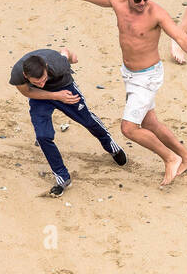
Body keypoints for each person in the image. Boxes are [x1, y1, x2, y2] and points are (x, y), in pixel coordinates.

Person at [36, 0, 187, 187]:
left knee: (129, 128)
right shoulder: (116, 2)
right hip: (130, 74)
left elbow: (179, 35)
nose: (143, 3)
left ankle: (171, 158)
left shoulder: (156, 13)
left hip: (148, 77)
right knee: (150, 122)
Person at [9, 47, 127, 196]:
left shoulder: (58, 63)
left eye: (44, 79)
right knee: (43, 136)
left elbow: (65, 51)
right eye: (36, 82)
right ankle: (62, 177)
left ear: (46, 68)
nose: (42, 84)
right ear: (26, 75)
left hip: (65, 87)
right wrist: (56, 96)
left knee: (88, 121)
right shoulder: (18, 73)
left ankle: (111, 147)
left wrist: (72, 57)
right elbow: (28, 91)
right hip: (41, 98)